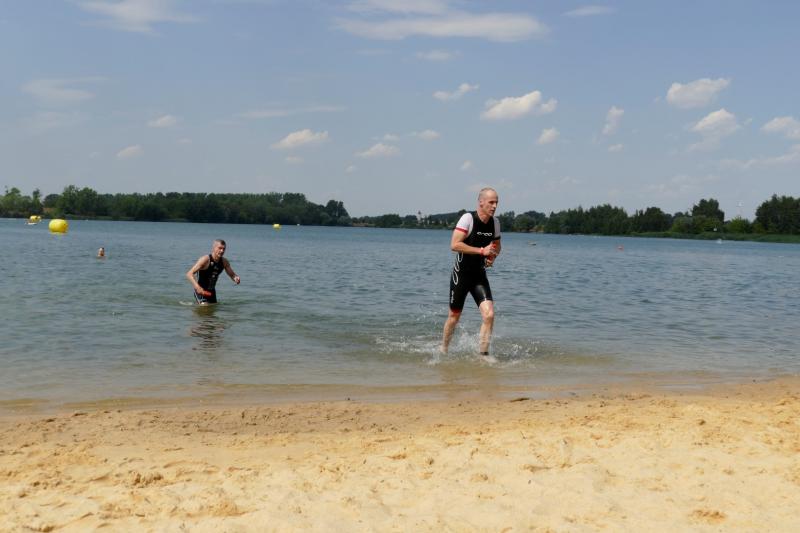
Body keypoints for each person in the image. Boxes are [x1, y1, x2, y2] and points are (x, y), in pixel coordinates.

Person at [441, 187, 502, 359]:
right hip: (461, 275)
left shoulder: (495, 223)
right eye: (491, 202)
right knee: (454, 316)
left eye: (496, 202)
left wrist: (492, 256)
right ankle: (443, 350)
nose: (494, 206)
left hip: (479, 276)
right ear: (481, 202)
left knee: (489, 315)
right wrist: (482, 251)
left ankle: (483, 356)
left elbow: (497, 246)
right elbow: (454, 245)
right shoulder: (468, 218)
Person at [186, 239, 240, 304]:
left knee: (212, 309)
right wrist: (197, 287)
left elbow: (232, 275)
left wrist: (236, 278)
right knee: (205, 307)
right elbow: (189, 274)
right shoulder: (205, 260)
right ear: (214, 248)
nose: (222, 251)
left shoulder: (224, 262)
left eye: (224, 249)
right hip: (201, 291)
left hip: (212, 291)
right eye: (220, 248)